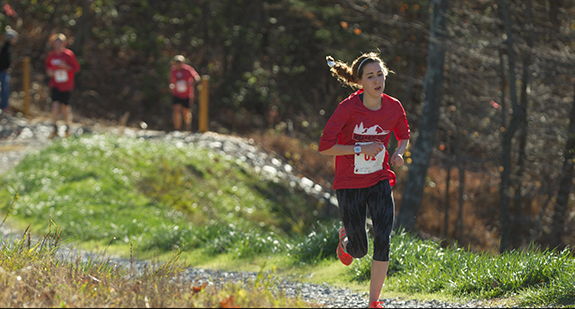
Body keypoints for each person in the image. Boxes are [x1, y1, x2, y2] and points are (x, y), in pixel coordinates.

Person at [318, 52, 410, 309]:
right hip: (349, 183)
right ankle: (346, 238)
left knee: (383, 238)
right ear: (360, 82)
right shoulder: (347, 108)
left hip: (380, 179)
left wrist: (399, 153)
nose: (377, 80)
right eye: (370, 76)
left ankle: (373, 302)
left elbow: (403, 135)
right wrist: (359, 148)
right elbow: (325, 147)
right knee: (359, 251)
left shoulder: (394, 106)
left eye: (380, 74)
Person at [45, 33, 80, 138]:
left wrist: (65, 66)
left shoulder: (68, 54)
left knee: (65, 107)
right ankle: (54, 127)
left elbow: (76, 68)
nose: (58, 45)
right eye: (55, 43)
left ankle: (67, 126)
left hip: (66, 85)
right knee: (55, 105)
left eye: (59, 43)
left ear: (63, 43)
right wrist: (50, 72)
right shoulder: (51, 55)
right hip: (55, 84)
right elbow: (48, 68)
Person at [169, 55, 200, 131]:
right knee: (176, 110)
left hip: (187, 94)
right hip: (177, 94)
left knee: (186, 112)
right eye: (176, 62)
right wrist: (171, 86)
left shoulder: (188, 69)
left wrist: (189, 84)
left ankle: (187, 128)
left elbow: (197, 78)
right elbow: (172, 81)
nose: (178, 64)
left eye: (179, 62)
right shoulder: (173, 70)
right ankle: (177, 129)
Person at [0, 28, 18, 114]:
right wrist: (6, 68)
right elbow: (4, 60)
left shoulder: (7, 47)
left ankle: (5, 106)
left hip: (4, 71)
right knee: (5, 89)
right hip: (3, 71)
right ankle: (4, 107)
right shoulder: (5, 47)